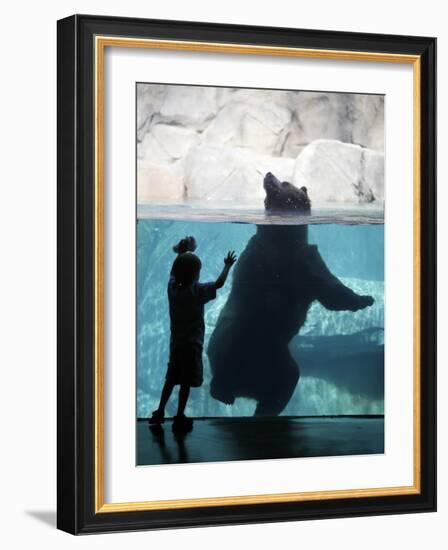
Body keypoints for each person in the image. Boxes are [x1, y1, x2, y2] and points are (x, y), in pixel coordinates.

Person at [149, 236, 237, 432]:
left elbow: (174, 272)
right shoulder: (197, 291)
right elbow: (219, 284)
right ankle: (180, 415)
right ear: (196, 274)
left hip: (176, 344)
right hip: (192, 345)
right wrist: (227, 266)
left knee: (170, 379)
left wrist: (182, 252)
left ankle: (159, 412)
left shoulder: (172, 288)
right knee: (186, 382)